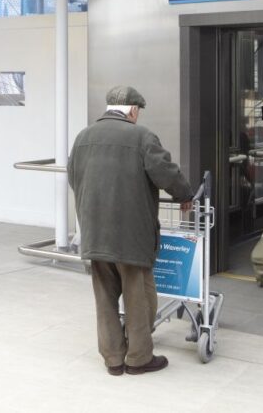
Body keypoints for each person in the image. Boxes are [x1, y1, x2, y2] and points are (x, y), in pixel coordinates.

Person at [67, 86, 194, 376]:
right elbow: (166, 172)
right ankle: (138, 358)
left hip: (95, 232)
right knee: (140, 296)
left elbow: (73, 176)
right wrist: (185, 195)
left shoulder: (83, 136)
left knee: (104, 296)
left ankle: (113, 358)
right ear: (133, 111)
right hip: (131, 234)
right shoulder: (142, 136)